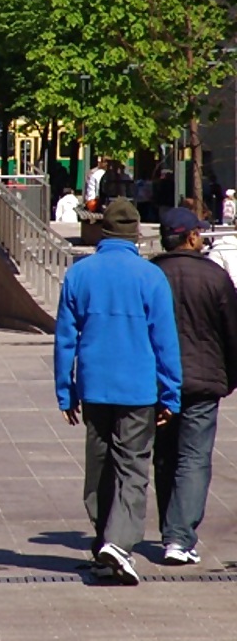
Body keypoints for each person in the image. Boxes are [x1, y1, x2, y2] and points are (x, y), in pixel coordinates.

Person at [54, 198, 182, 585]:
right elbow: (165, 342)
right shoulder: (150, 277)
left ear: (103, 232)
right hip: (138, 388)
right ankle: (120, 543)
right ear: (135, 236)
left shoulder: (80, 274)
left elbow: (64, 338)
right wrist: (171, 393)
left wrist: (65, 390)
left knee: (99, 464)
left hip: (94, 386)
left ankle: (102, 538)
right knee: (132, 466)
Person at [151, 208, 237, 566]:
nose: (203, 238)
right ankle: (179, 536)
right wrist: (230, 377)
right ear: (189, 237)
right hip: (203, 381)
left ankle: (170, 529)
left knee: (165, 456)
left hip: (158, 383)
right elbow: (233, 332)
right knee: (194, 458)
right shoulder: (215, 277)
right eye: (199, 233)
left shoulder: (153, 274)